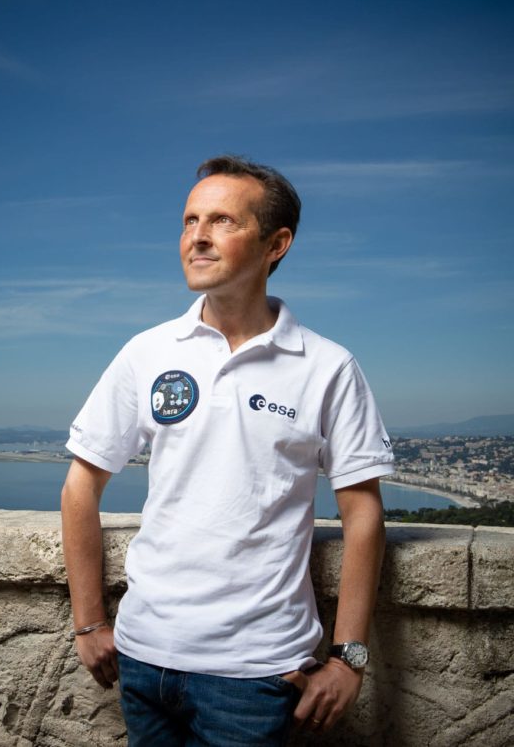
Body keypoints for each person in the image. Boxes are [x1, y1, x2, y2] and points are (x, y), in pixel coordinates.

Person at [61, 155, 395, 746]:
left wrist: (348, 658)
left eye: (222, 221)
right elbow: (81, 483)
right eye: (190, 221)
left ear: (277, 243)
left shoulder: (327, 367)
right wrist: (88, 620)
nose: (198, 237)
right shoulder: (148, 352)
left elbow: (362, 512)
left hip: (256, 673)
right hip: (142, 658)